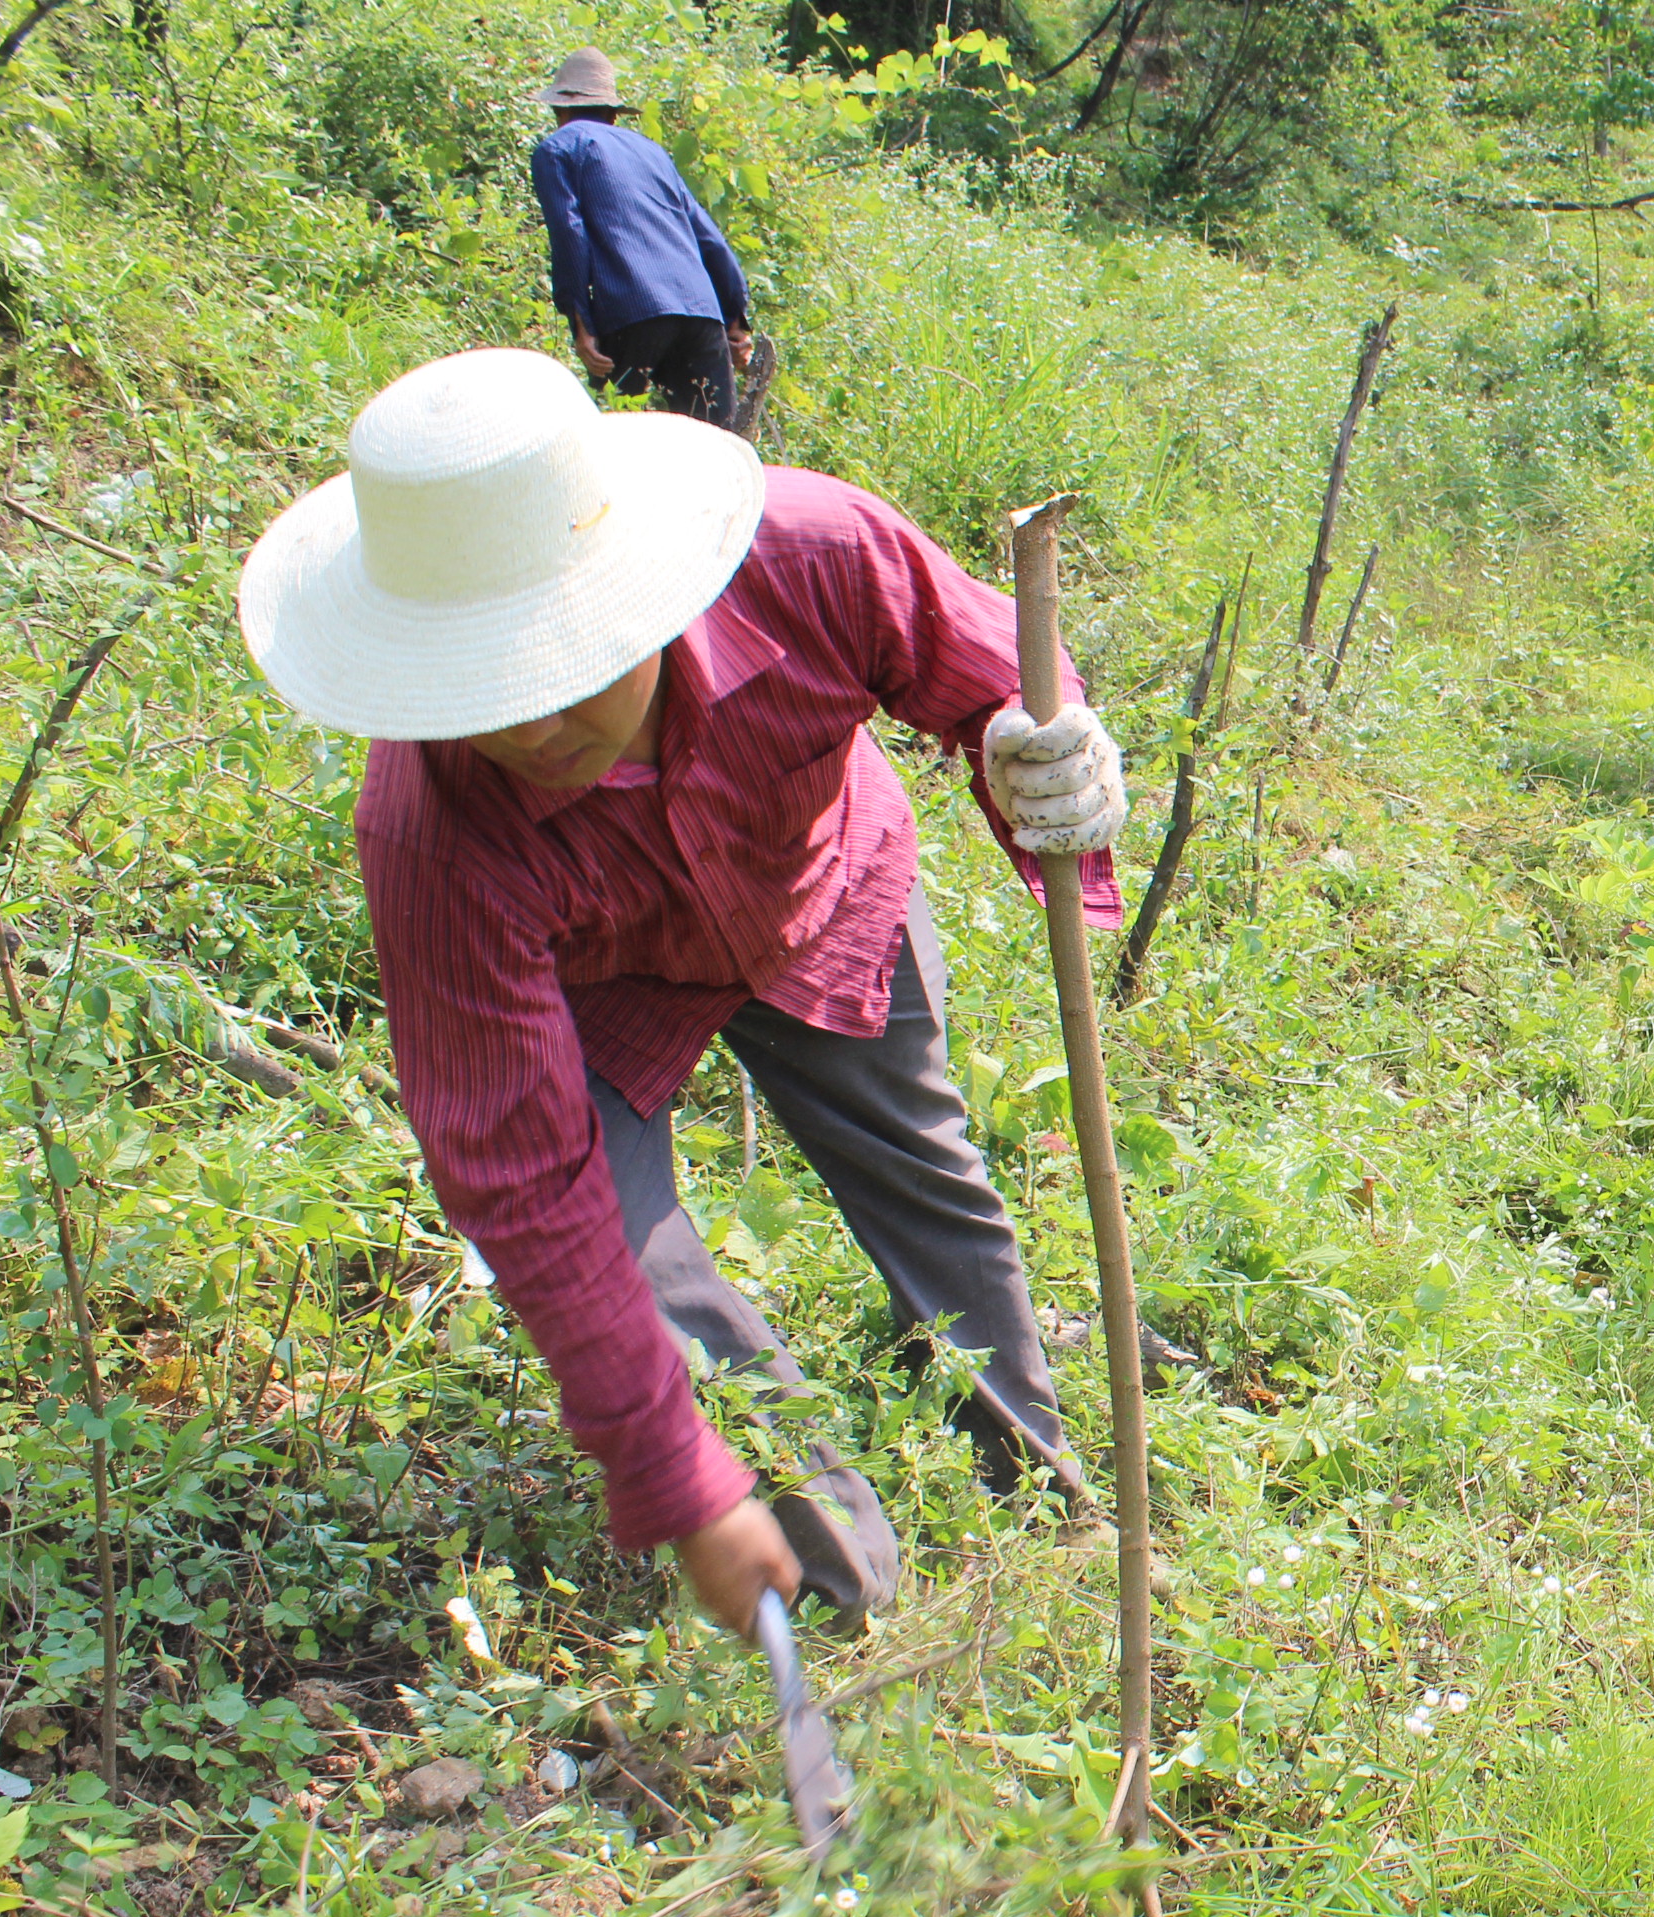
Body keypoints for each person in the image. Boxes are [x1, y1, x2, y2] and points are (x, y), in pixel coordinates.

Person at [234, 346, 1132, 1636]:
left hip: (822, 888)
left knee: (923, 1173)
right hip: (605, 982)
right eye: (489, 684)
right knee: (633, 1255)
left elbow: (995, 669)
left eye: (568, 658)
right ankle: (819, 1568)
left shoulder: (814, 554)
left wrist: (1034, 745)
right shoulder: (433, 825)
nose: (536, 723)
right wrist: (677, 1480)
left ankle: (1036, 1483)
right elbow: (526, 1183)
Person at [532, 49, 753, 431]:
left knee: (616, 440)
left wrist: (580, 323)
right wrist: (735, 320)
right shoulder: (652, 152)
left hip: (631, 310)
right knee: (720, 450)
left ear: (559, 112)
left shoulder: (557, 149)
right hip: (701, 312)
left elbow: (569, 232)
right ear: (613, 114)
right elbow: (708, 237)